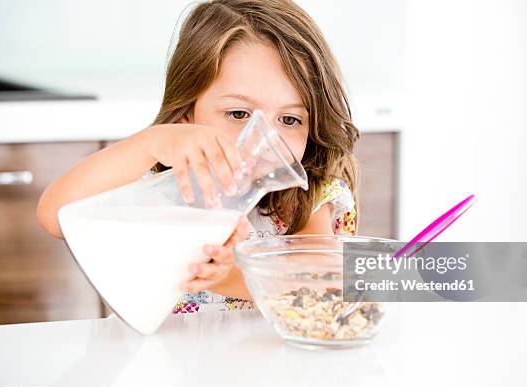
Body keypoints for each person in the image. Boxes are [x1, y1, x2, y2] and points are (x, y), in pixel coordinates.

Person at [37, 0, 359, 314]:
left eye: (289, 120)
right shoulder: (158, 187)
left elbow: (317, 277)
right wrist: (151, 143)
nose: (264, 140)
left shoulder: (308, 199)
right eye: (238, 113)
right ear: (187, 115)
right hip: (159, 362)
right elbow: (56, 216)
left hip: (266, 365)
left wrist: (229, 276)